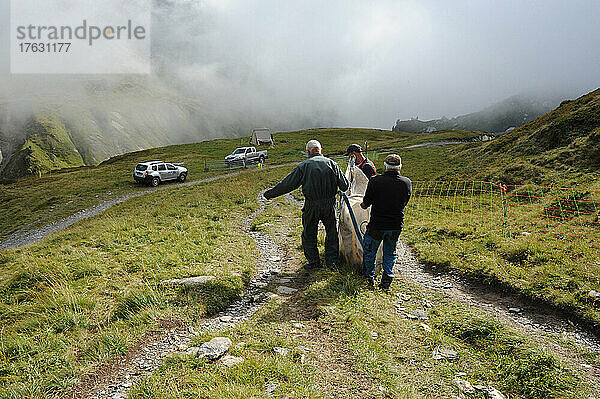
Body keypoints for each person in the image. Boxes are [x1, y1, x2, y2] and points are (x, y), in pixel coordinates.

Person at [264, 140, 349, 269]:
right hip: (329, 204)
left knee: (309, 233)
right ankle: (331, 263)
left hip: (311, 205)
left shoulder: (304, 165)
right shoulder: (332, 164)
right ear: (321, 150)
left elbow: (288, 184)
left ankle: (314, 263)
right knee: (331, 233)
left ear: (309, 152)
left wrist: (269, 194)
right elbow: (344, 185)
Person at [360, 154, 412, 291]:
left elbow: (366, 203)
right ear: (399, 167)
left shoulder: (375, 181)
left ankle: (369, 277)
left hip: (377, 224)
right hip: (395, 225)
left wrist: (362, 205)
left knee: (370, 251)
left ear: (385, 165)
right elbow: (405, 202)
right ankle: (387, 277)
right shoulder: (406, 182)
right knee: (390, 252)